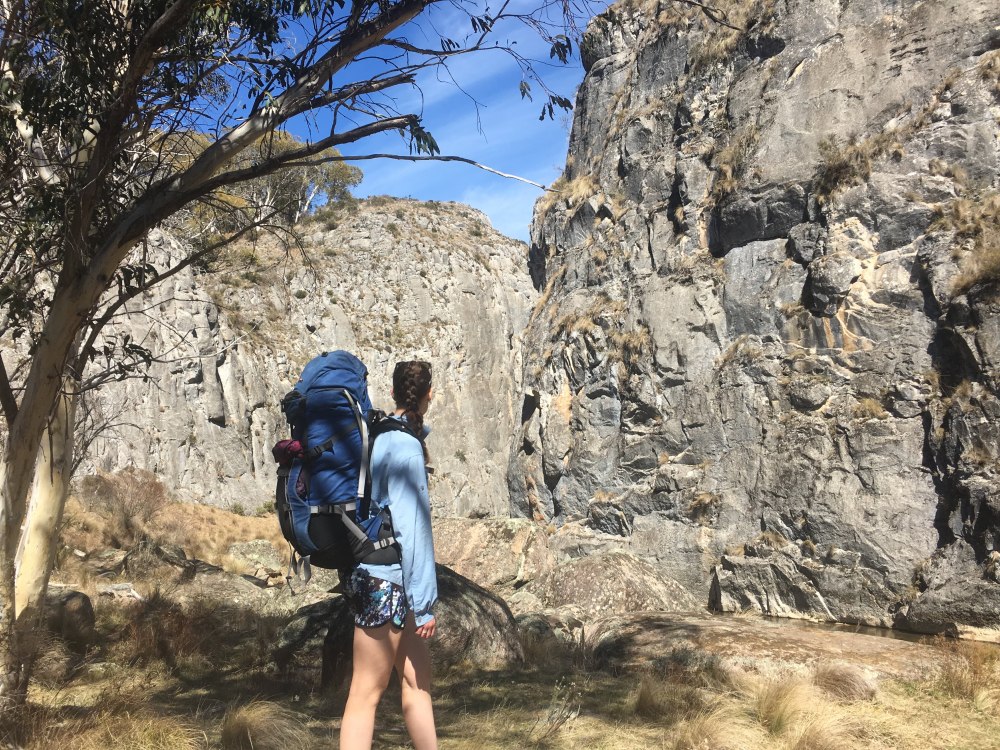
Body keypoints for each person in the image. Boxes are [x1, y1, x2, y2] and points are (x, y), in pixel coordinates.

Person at [340, 360, 439, 750]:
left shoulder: (378, 434)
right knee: (365, 693)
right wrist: (425, 604)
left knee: (417, 681)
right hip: (388, 582)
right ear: (428, 395)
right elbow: (413, 531)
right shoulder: (405, 447)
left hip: (377, 575)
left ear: (395, 392)